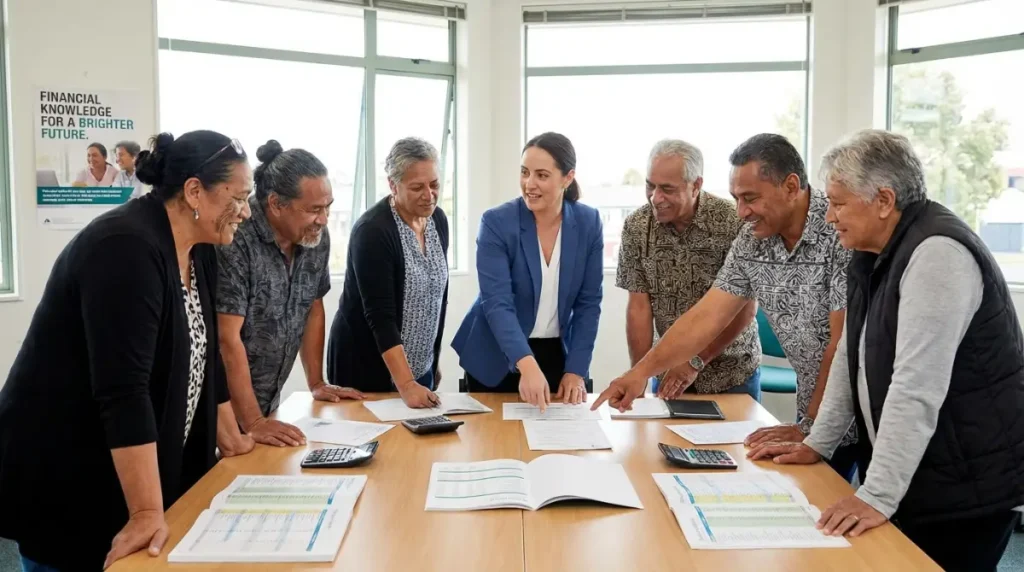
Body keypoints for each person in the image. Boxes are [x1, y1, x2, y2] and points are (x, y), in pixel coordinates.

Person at [748, 129, 1024, 571]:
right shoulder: (870, 251)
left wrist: (875, 494)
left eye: (838, 203)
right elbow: (848, 354)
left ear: (883, 200)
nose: (828, 216)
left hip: (968, 483)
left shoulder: (937, 254)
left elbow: (916, 387)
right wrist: (819, 441)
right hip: (925, 472)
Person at [0, 130, 256, 571]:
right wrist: (145, 512)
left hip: (120, 469)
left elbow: (205, 353)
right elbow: (124, 391)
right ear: (194, 190)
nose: (246, 212)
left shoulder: (198, 248)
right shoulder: (126, 247)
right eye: (239, 198)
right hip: (65, 473)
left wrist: (231, 436)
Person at [593, 133, 858, 482]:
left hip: (857, 412)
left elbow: (840, 345)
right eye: (736, 198)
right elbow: (707, 315)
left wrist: (812, 427)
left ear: (791, 186)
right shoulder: (753, 238)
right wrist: (639, 373)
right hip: (815, 417)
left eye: (750, 198)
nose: (741, 212)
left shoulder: (839, 228)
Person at [218, 140, 364, 448]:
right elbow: (225, 337)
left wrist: (317, 382)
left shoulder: (314, 237)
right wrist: (253, 420)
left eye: (327, 207)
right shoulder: (236, 238)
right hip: (221, 413)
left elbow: (312, 307)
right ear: (275, 203)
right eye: (314, 210)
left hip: (266, 406)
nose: (323, 219)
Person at [452, 132, 603, 410]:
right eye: (524, 172)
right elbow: (497, 302)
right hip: (497, 353)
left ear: (567, 178)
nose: (529, 184)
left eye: (542, 175)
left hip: (559, 353)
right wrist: (526, 364)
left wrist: (577, 369)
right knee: (495, 443)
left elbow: (588, 304)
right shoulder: (497, 222)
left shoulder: (588, 222)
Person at [617, 139, 760, 401]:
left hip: (731, 374)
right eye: (650, 185)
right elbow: (639, 308)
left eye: (667, 189)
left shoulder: (734, 223)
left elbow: (746, 309)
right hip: (666, 376)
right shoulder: (637, 227)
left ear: (696, 185)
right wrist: (639, 374)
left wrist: (695, 362)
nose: (655, 198)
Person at [327, 137, 449, 407]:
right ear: (393, 185)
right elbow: (380, 317)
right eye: (417, 187)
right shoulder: (372, 231)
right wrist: (406, 383)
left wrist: (432, 361)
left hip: (419, 369)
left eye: (434, 184)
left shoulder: (438, 219)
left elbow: (436, 296)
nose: (429, 195)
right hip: (364, 367)